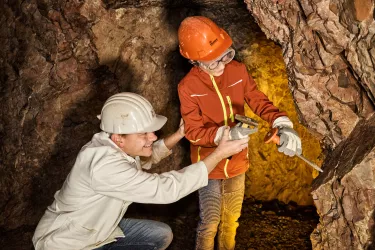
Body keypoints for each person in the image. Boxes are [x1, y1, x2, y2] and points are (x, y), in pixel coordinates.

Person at [32, 92, 249, 250]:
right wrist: (219, 154)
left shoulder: (111, 144)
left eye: (152, 132)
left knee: (160, 235)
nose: (152, 137)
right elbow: (165, 190)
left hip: (98, 229)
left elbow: (144, 157)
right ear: (119, 137)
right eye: (144, 134)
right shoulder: (104, 167)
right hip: (68, 243)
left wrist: (179, 134)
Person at [177, 16, 302, 250]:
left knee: (231, 221)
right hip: (208, 165)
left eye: (225, 55)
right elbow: (193, 131)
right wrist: (224, 135)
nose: (222, 64)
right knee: (210, 222)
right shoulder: (188, 87)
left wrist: (282, 122)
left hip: (237, 162)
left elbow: (257, 100)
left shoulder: (238, 71)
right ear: (194, 61)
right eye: (213, 62)